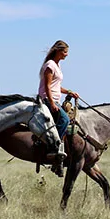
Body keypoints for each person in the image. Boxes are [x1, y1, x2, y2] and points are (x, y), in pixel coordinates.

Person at [38, 40, 79, 175]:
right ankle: (53, 148)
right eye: (65, 52)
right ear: (58, 51)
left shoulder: (57, 65)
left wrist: (69, 92)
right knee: (65, 120)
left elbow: (56, 86)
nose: (66, 55)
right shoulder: (50, 65)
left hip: (54, 98)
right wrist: (52, 102)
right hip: (47, 99)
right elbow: (48, 86)